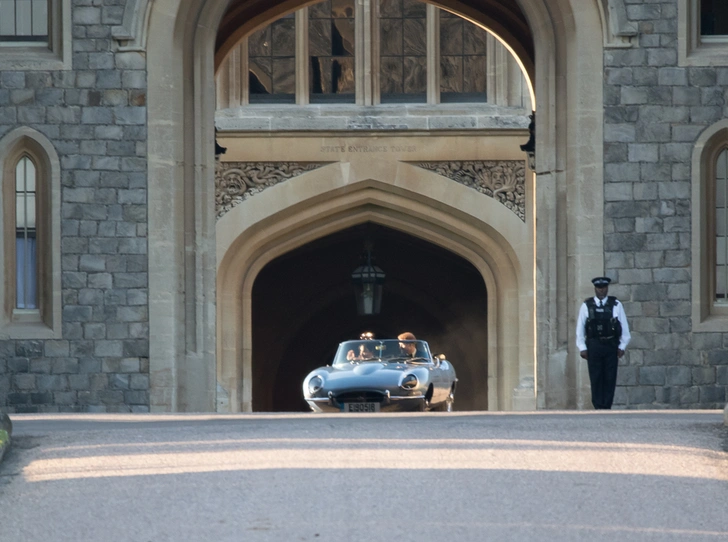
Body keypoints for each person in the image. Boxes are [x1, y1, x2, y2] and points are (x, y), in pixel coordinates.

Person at [575, 276, 631, 409]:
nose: (601, 291)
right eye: (599, 288)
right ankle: (598, 405)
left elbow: (624, 327)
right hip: (594, 345)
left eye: (603, 288)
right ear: (595, 289)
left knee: (610, 377)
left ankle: (607, 405)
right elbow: (580, 328)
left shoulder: (616, 305)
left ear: (607, 288)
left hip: (611, 344)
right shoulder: (587, 306)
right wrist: (582, 347)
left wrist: (622, 346)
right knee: (596, 376)